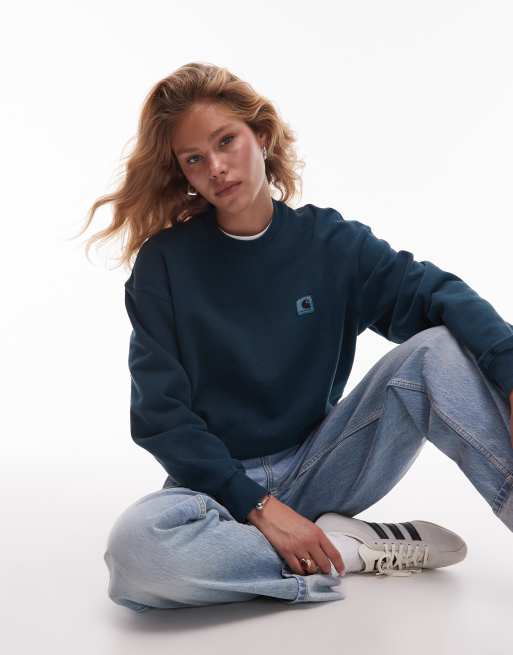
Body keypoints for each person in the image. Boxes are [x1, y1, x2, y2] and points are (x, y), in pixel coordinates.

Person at [79, 62, 513, 612]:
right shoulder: (164, 265)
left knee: (438, 351)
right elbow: (160, 416)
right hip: (218, 489)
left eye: (226, 141)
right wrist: (258, 506)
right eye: (194, 159)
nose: (216, 167)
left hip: (323, 464)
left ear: (261, 136)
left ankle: (298, 550)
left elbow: (437, 294)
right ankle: (343, 550)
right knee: (137, 552)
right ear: (183, 174)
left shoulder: (330, 244)